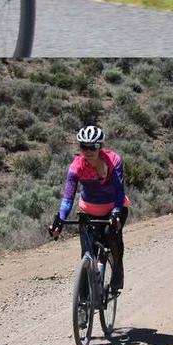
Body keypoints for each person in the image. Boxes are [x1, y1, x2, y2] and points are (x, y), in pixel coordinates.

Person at [48, 125, 128, 296]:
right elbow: (68, 197)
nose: (88, 151)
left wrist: (116, 212)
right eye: (84, 146)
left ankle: (117, 272)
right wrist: (59, 219)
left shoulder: (113, 161)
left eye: (93, 147)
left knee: (112, 239)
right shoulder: (77, 166)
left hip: (113, 208)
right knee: (86, 255)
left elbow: (120, 191)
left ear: (101, 147)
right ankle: (83, 305)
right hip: (88, 210)